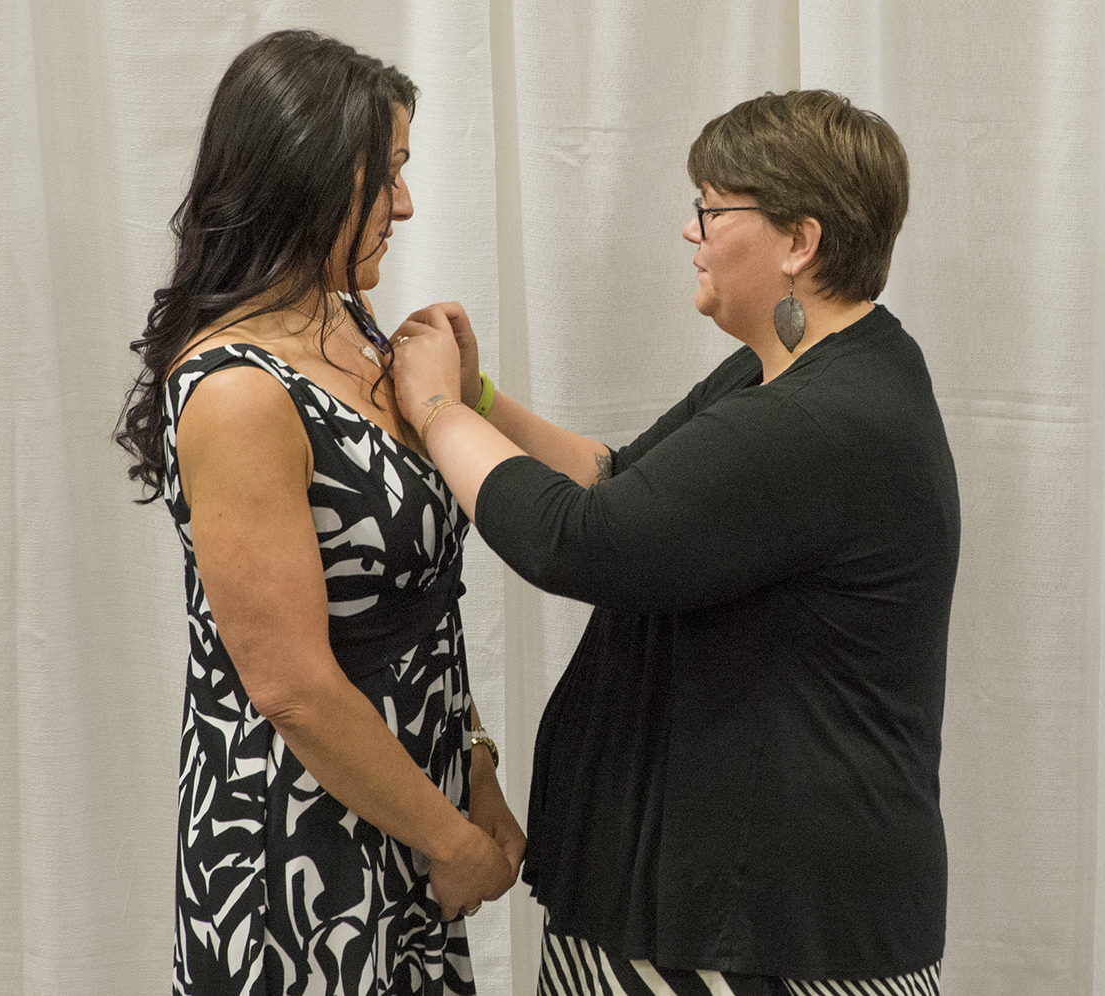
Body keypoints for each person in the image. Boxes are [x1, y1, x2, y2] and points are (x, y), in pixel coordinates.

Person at [389, 91, 959, 995]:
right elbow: (613, 479)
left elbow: (576, 542)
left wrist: (433, 410)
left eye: (712, 208)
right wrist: (482, 399)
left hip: (764, 932)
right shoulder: (795, 371)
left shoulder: (819, 421)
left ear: (798, 242)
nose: (692, 232)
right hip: (705, 905)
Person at [115, 30, 524, 996]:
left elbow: (413, 608)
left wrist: (473, 764)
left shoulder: (348, 322)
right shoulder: (236, 391)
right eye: (386, 178)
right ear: (307, 177)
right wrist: (451, 841)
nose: (408, 204)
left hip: (403, 809)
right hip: (296, 848)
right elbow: (291, 686)